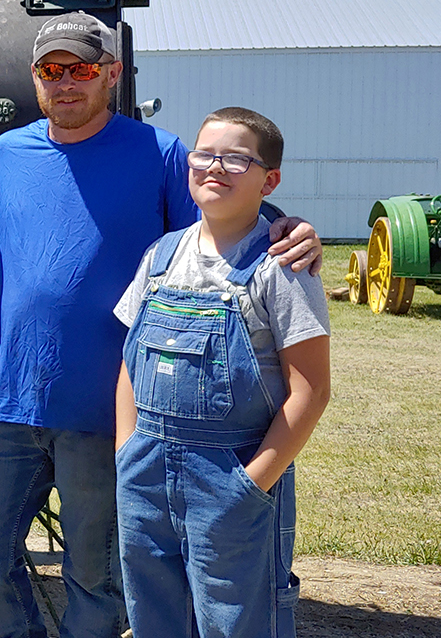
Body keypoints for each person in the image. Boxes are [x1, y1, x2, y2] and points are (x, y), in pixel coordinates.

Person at [0, 13, 323, 638]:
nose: (65, 83)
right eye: (51, 71)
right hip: (10, 400)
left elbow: (218, 220)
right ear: (35, 80)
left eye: (82, 69)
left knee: (95, 578)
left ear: (112, 74)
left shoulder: (160, 152)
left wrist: (288, 225)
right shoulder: (5, 153)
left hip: (109, 410)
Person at [114, 107, 333, 638]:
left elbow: (312, 391)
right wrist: (126, 451)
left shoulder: (280, 267)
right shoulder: (161, 257)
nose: (215, 167)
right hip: (143, 475)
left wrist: (251, 487)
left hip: (231, 474)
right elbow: (128, 363)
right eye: (205, 154)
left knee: (237, 622)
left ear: (269, 180)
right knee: (153, 616)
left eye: (237, 158)